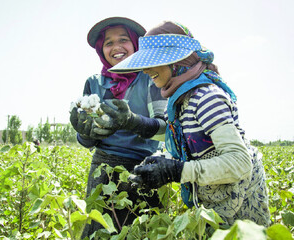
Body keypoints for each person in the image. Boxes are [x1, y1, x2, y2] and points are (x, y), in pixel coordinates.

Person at [108, 21, 271, 227]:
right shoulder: (182, 98)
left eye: (153, 62)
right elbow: (177, 133)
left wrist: (175, 171)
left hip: (240, 204)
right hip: (215, 200)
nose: (146, 71)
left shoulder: (206, 97)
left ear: (178, 62)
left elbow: (240, 162)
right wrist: (133, 122)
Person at [69, 17, 167, 237]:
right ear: (101, 50)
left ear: (135, 44)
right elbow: (87, 139)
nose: (116, 47)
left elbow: (164, 128)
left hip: (142, 170)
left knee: (140, 231)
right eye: (108, 43)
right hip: (102, 170)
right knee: (100, 230)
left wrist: (132, 121)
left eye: (123, 40)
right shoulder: (94, 83)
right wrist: (85, 133)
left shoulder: (150, 77)